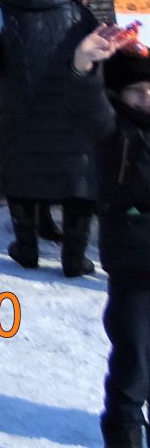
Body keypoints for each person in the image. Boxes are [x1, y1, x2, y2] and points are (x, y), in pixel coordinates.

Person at [0, 0, 100, 277]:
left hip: (19, 112)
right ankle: (74, 256)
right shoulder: (77, 12)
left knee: (21, 174)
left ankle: (26, 248)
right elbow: (97, 60)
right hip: (72, 110)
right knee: (77, 179)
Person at [80, 28, 150, 447]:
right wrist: (85, 66)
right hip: (134, 259)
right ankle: (123, 431)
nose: (145, 98)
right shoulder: (112, 127)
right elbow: (85, 102)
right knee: (134, 356)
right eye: (136, 91)